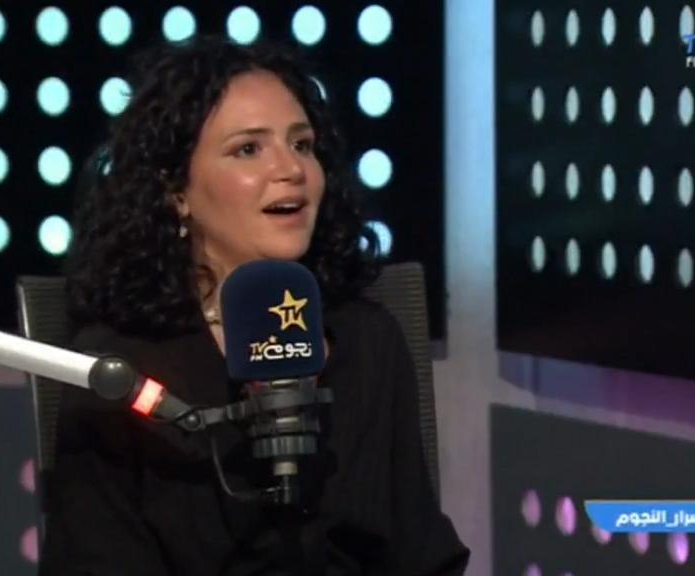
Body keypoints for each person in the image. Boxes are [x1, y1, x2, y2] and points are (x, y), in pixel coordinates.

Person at [39, 35, 469, 575]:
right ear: (176, 190)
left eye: (303, 145)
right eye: (248, 149)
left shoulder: (368, 338)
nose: (292, 169)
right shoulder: (119, 370)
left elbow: (421, 553)